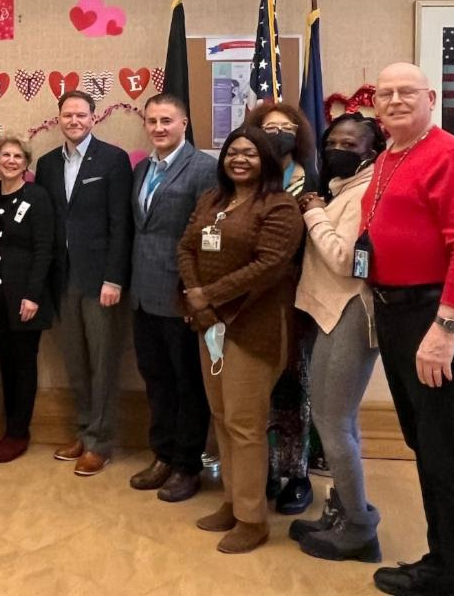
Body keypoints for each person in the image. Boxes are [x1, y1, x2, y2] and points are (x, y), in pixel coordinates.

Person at [364, 63, 454, 596]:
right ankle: (442, 562)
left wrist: (444, 330)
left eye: (407, 92)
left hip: (436, 318)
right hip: (399, 316)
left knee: (449, 457)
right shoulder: (393, 154)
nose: (395, 100)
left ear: (431, 98)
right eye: (385, 92)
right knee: (427, 446)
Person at [177, 125, 303, 554]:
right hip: (209, 324)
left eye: (250, 152)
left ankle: (253, 519)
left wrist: (208, 295)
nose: (239, 159)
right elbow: (185, 249)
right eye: (233, 152)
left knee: (245, 423)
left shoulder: (280, 206)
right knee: (221, 415)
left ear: (266, 159)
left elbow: (269, 265)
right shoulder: (211, 200)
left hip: (255, 326)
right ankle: (232, 502)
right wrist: (200, 301)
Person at [290, 113, 385, 562]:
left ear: (371, 151)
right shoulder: (344, 189)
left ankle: (359, 530)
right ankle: (345, 509)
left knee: (332, 423)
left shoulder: (366, 191)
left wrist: (311, 213)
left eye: (350, 142)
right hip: (330, 312)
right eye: (333, 140)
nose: (338, 148)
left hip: (349, 313)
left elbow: (346, 260)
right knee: (340, 422)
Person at [34, 89, 133, 476]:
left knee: (104, 362)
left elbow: (120, 224)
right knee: (75, 363)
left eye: (81, 115)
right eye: (67, 115)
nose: (74, 121)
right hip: (63, 279)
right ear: (58, 119)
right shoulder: (45, 164)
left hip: (100, 281)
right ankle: (84, 430)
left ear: (94, 118)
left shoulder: (113, 159)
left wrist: (114, 278)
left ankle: (101, 442)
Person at [128, 93, 216, 502]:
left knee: (187, 385)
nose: (159, 128)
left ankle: (186, 465)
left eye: (167, 121)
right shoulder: (143, 168)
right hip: (144, 295)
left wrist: (195, 293)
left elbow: (206, 237)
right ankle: (162, 455)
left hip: (181, 296)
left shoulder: (203, 169)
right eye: (152, 121)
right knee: (156, 381)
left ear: (184, 123)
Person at [246, 100, 319, 514]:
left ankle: (297, 473)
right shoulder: (246, 177)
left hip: (299, 297)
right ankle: (269, 469)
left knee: (295, 385)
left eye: (285, 126)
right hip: (254, 298)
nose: (277, 133)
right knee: (261, 385)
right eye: (268, 127)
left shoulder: (315, 177)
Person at [0, 134, 54, 463]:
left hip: (25, 299)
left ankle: (18, 432)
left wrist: (33, 295)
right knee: (5, 365)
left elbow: (44, 250)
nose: (10, 160)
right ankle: (7, 429)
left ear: (26, 164)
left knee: (23, 366)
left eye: (17, 156)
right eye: (5, 155)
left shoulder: (37, 197)